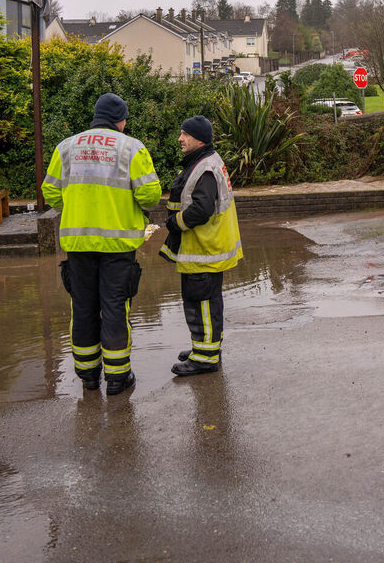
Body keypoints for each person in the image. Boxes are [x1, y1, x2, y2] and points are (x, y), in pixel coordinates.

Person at [42, 93, 162, 396]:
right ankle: (118, 378)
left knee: (82, 308)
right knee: (114, 308)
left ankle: (88, 376)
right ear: (120, 120)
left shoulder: (66, 147)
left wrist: (75, 207)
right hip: (118, 247)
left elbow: (51, 193)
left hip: (78, 244)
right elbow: (149, 196)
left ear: (95, 116)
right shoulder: (132, 148)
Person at [159, 115, 243, 376]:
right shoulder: (206, 162)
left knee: (201, 304)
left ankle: (205, 359)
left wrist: (175, 224)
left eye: (185, 134)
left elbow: (201, 210)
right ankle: (205, 348)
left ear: (199, 139)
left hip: (204, 250)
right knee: (205, 303)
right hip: (206, 249)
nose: (180, 139)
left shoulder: (205, 167)